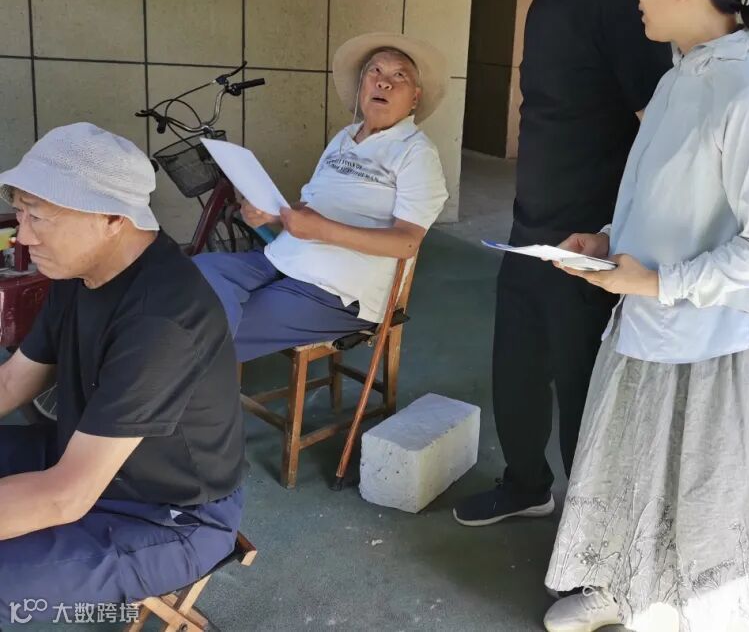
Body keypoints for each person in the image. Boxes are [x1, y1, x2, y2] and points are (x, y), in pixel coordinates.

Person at [542, 0, 749, 631]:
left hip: (718, 339)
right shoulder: (681, 76)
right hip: (653, 315)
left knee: (704, 492)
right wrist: (609, 240)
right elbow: (666, 198)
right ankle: (618, 587)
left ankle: (704, 613)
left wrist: (659, 281)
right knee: (631, 463)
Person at [453, 0, 672, 527]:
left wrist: (614, 236)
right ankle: (526, 484)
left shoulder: (616, 0)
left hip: (588, 243)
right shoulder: (545, 7)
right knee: (517, 367)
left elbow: (660, 136)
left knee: (583, 391)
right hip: (529, 230)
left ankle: (592, 532)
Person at [0, 123, 246, 618]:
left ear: (112, 218)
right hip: (82, 454)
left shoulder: (161, 319)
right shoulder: (78, 269)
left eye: (38, 216)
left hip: (169, 515)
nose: (23, 236)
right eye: (21, 213)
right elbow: (10, 381)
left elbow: (65, 497)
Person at [193, 34, 449, 362]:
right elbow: (308, 207)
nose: (383, 82)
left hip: (338, 291)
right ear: (361, 86)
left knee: (205, 330)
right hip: (284, 259)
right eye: (375, 71)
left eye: (399, 75)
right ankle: (199, 365)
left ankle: (197, 372)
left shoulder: (416, 152)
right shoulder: (344, 137)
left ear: (415, 98)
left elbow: (407, 242)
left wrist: (321, 230)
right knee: (197, 273)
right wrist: (273, 215)